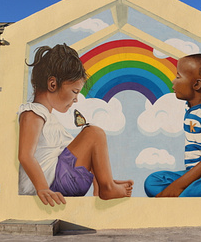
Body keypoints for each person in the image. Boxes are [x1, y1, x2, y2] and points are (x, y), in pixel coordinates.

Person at [18, 43, 133, 206]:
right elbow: (25, 156)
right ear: (52, 84)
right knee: (94, 133)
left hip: (60, 179)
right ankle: (107, 187)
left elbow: (86, 155)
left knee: (91, 139)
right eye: (74, 92)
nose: (76, 99)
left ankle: (105, 185)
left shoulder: (50, 120)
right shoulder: (32, 113)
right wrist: (42, 188)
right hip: (52, 183)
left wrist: (100, 181)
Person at [144, 53, 201, 197]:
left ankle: (181, 197)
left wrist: (176, 186)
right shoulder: (192, 108)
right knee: (153, 181)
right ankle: (187, 194)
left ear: (197, 84)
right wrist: (178, 184)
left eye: (178, 77)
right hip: (195, 173)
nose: (173, 82)